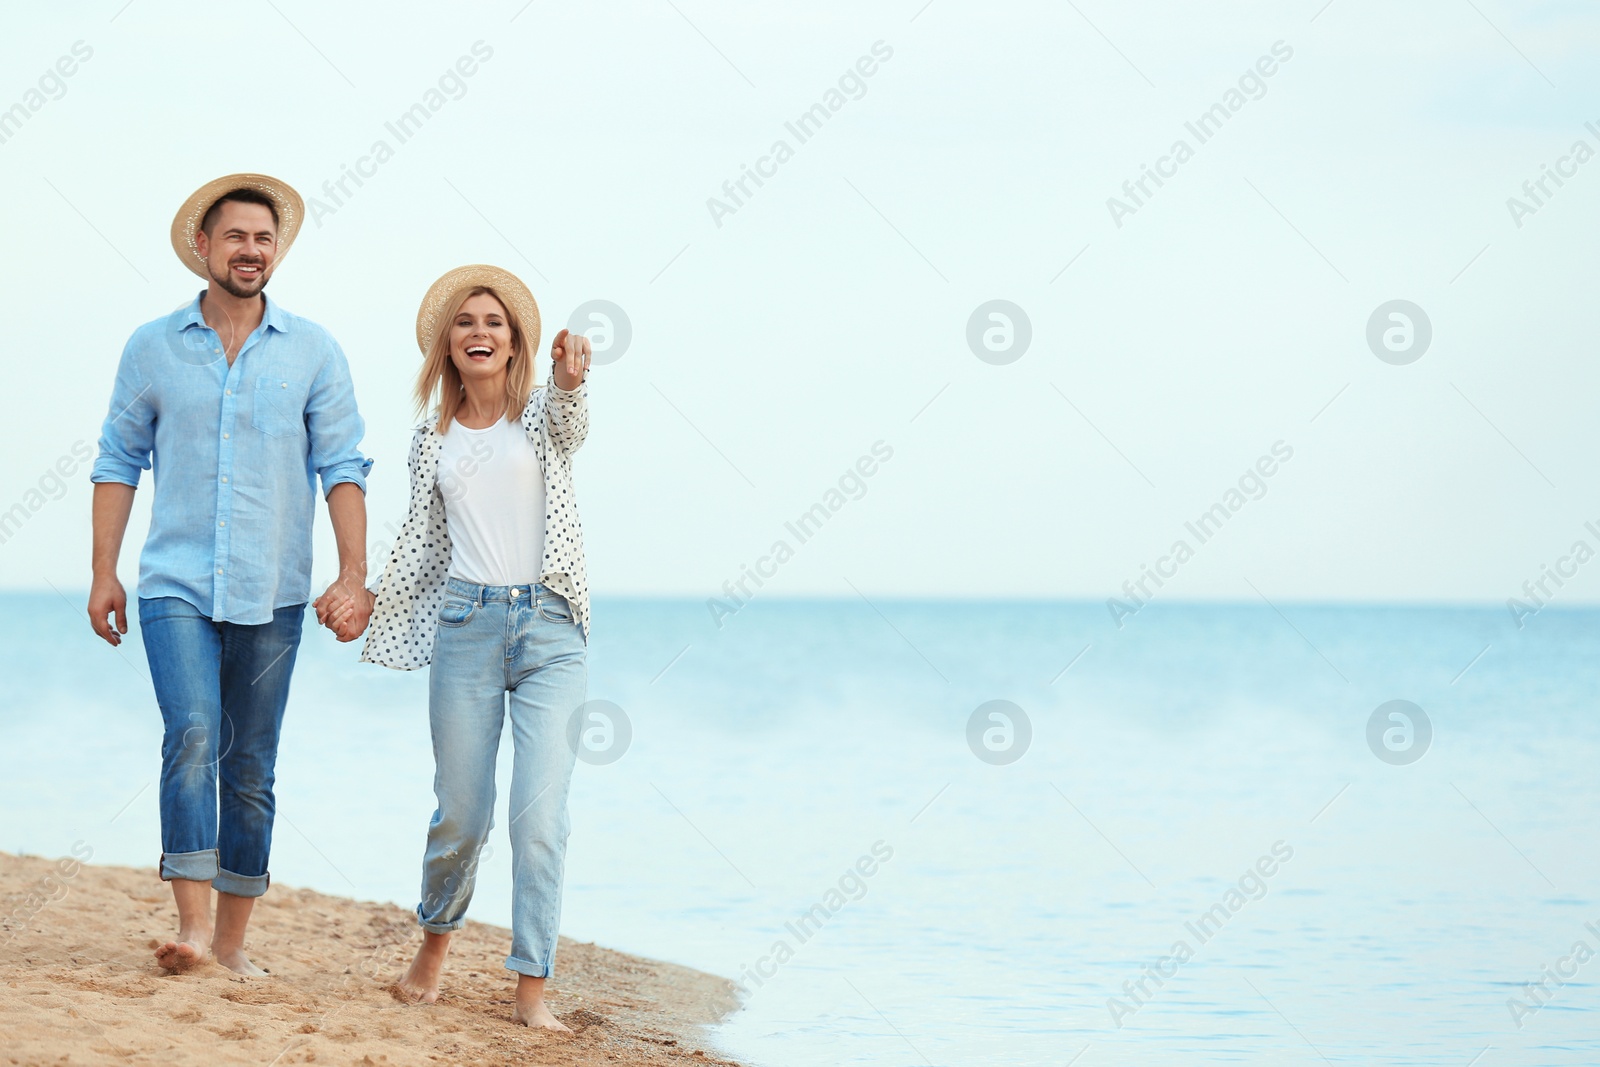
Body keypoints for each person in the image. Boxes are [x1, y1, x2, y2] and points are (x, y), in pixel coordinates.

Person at [87, 174, 375, 975]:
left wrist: (354, 573)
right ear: (204, 247)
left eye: (264, 238)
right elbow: (118, 459)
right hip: (173, 582)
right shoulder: (152, 346)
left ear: (274, 252)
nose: (251, 250)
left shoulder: (315, 350)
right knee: (193, 737)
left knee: (250, 764)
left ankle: (234, 942)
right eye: (237, 236)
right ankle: (191, 928)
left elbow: (342, 465)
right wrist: (104, 571)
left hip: (275, 592)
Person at [317, 264, 593, 1031]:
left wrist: (571, 382)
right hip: (466, 629)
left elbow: (572, 423)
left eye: (495, 322)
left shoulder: (540, 417)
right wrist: (364, 594)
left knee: (539, 816)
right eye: (466, 321)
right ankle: (433, 948)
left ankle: (531, 988)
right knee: (462, 814)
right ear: (448, 344)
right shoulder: (430, 439)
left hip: (550, 631)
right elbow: (424, 544)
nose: (480, 331)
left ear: (515, 345)